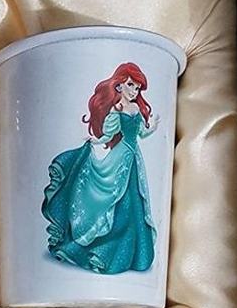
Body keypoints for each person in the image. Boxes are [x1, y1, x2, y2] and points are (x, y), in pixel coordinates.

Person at [41, 62, 159, 274]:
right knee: (117, 200)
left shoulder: (135, 109)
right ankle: (105, 250)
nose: (134, 91)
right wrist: (94, 141)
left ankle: (133, 251)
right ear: (119, 86)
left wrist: (154, 126)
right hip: (121, 158)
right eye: (130, 85)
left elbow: (141, 132)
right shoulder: (117, 110)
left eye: (137, 88)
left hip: (134, 159)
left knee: (135, 200)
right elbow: (108, 135)